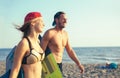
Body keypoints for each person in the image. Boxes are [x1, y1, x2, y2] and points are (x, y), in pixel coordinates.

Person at [9, 12, 45, 78]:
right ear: (32, 23)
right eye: (41, 21)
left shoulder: (38, 42)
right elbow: (15, 70)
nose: (44, 24)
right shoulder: (24, 43)